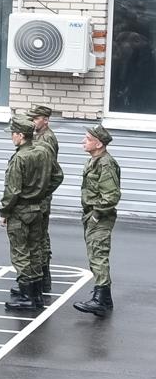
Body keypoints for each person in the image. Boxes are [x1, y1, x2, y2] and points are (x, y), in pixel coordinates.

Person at [0, 116, 59, 313]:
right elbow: (58, 176)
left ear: (21, 135)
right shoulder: (43, 151)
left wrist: (5, 211)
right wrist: (42, 192)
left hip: (21, 211)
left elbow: (13, 191)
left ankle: (26, 295)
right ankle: (36, 294)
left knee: (20, 253)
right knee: (35, 250)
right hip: (37, 208)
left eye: (13, 134)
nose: (12, 138)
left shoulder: (20, 158)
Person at [75, 126, 120, 316]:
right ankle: (104, 298)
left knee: (98, 255)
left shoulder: (105, 164)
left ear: (99, 144)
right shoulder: (94, 161)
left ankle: (100, 300)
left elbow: (111, 196)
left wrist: (96, 214)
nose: (83, 142)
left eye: (87, 139)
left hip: (100, 217)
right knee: (95, 254)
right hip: (92, 215)